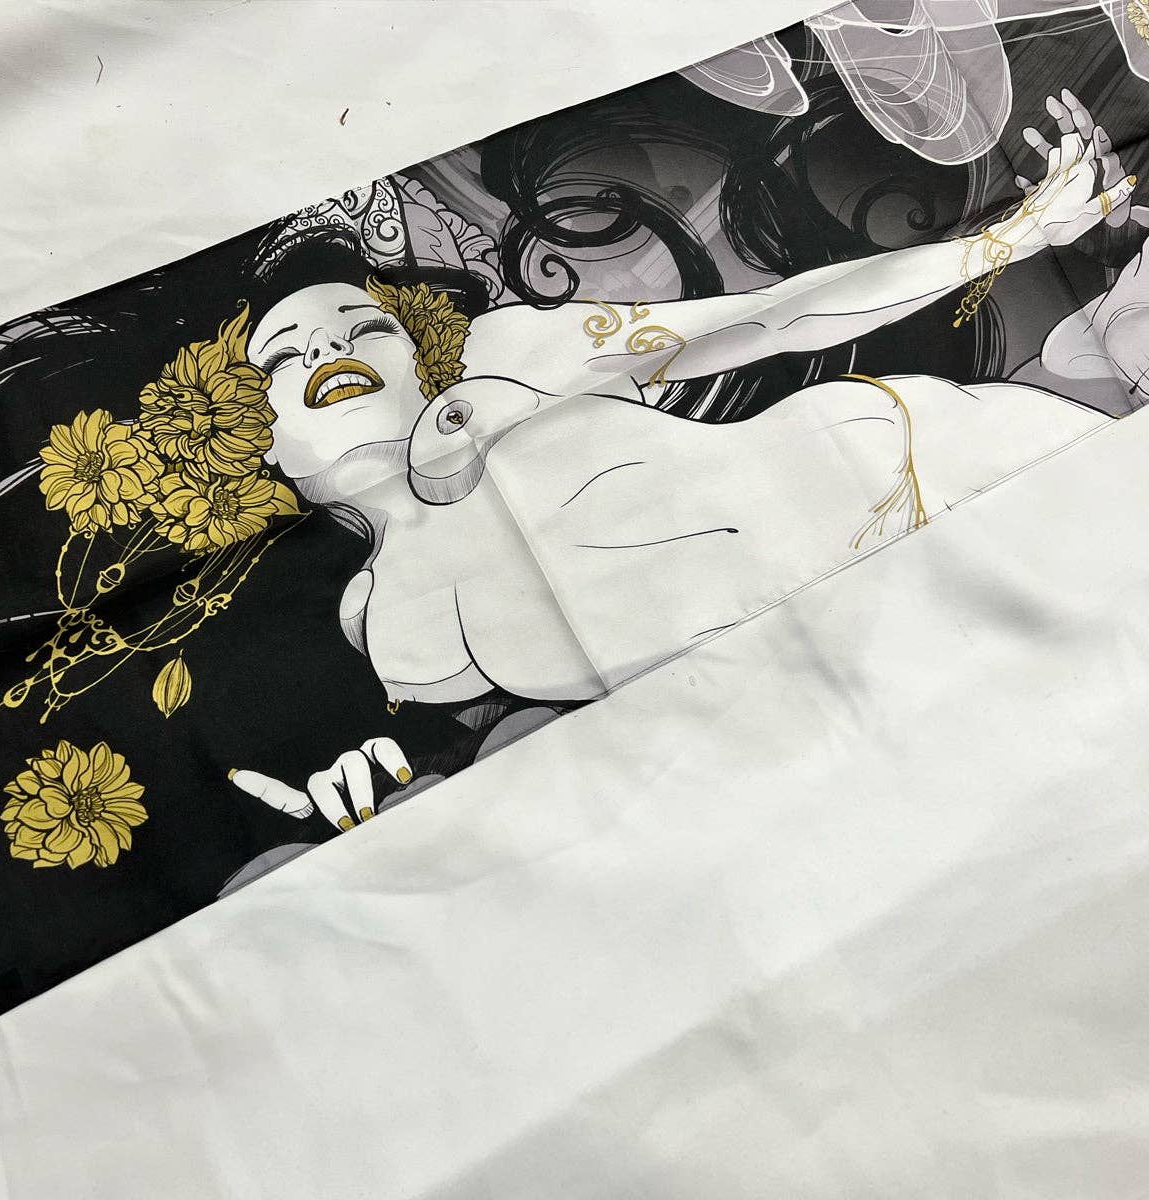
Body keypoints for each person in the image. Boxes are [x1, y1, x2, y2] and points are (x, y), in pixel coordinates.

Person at [229, 89, 1145, 831]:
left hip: (918, 463)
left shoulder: (507, 360)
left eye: (365, 328)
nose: (330, 351)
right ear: (243, 435)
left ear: (417, 346)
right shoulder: (377, 630)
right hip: (868, 674)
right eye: (283, 359)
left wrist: (1012, 238)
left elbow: (772, 319)